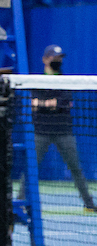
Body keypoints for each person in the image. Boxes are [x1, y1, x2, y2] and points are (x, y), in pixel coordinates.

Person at [30, 44, 95, 213]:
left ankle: (89, 204)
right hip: (41, 132)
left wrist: (44, 104)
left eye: (59, 58)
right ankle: (20, 202)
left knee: (76, 168)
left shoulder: (66, 81)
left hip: (64, 132)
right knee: (31, 168)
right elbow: (34, 104)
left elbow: (62, 103)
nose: (57, 61)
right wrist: (50, 104)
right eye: (54, 57)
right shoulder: (36, 81)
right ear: (45, 59)